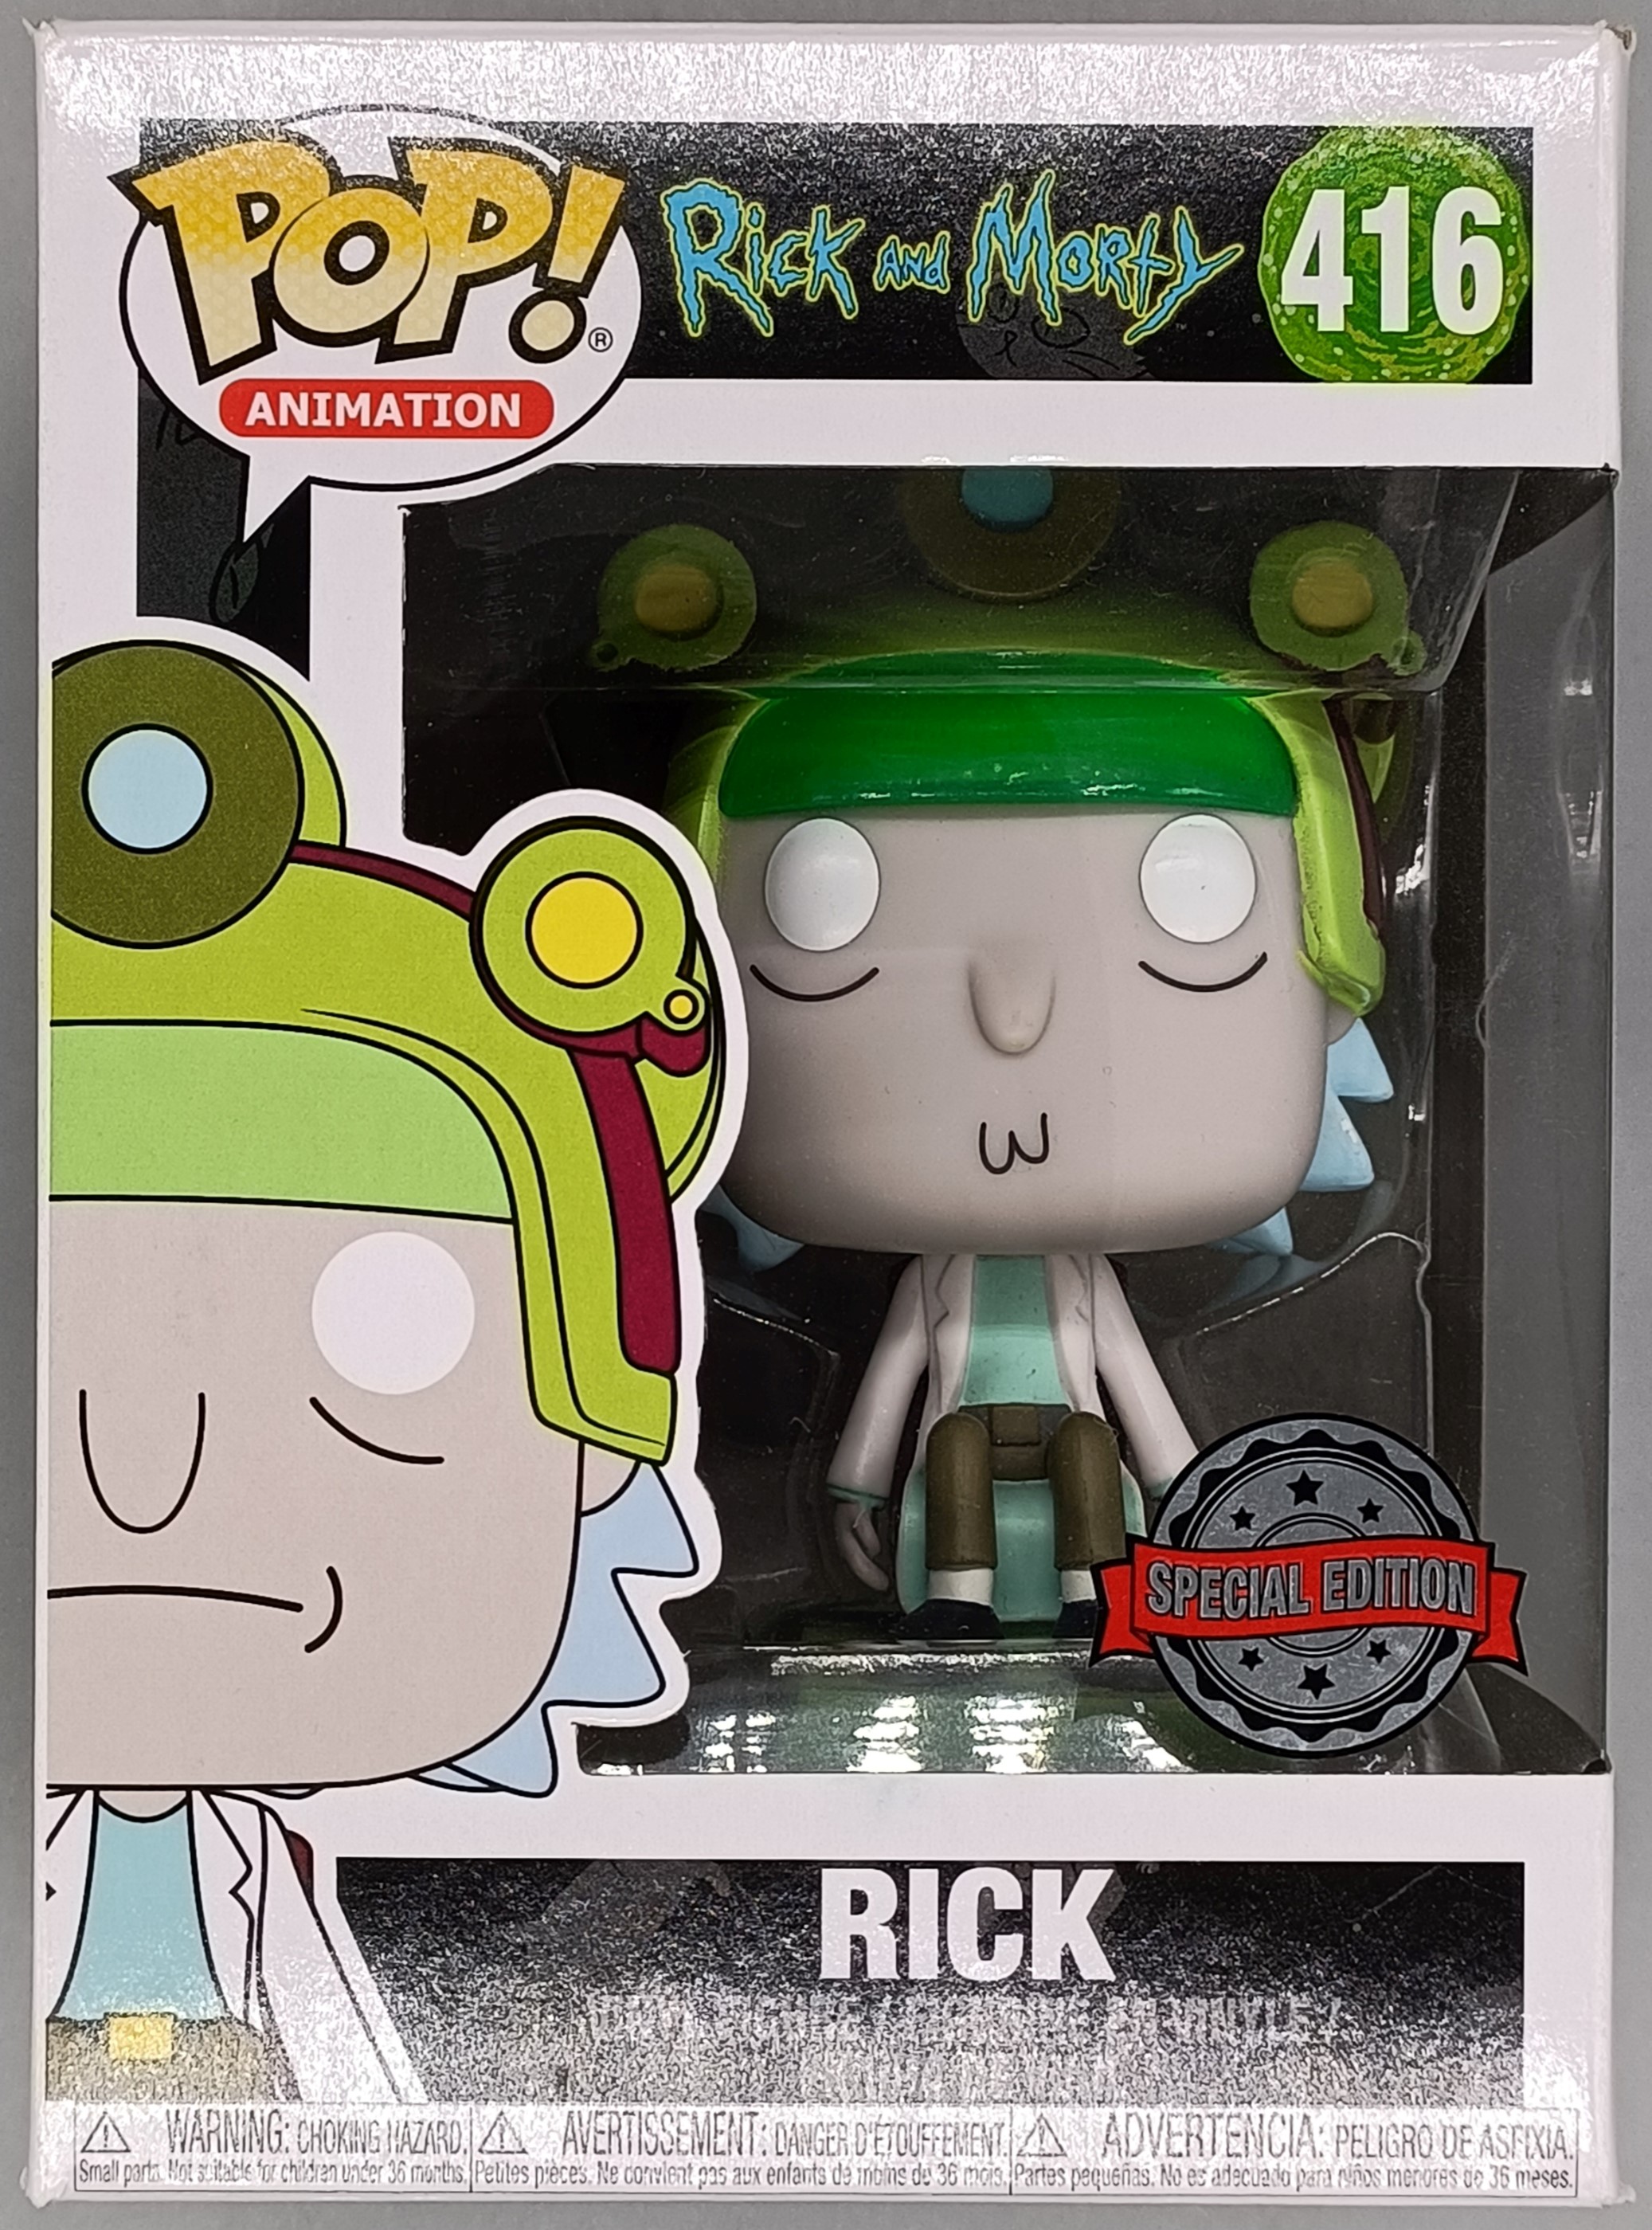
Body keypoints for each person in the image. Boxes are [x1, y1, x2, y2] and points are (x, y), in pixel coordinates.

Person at [45, 639, 731, 2099]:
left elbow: (362, 2102)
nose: (139, 1471)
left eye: (388, 1329)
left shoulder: (311, 1892)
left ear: (590, 1457)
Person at [671, 622, 1384, 1641]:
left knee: (1090, 1451)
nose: (1013, 1014)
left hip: (1071, 1435)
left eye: (1196, 897)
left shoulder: (1072, 1282)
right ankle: (956, 1600)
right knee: (954, 1453)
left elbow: (1132, 1387)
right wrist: (857, 1488)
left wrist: (1183, 1491)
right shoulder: (938, 1281)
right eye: (827, 901)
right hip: (961, 1437)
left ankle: (1097, 1595)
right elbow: (891, 1385)